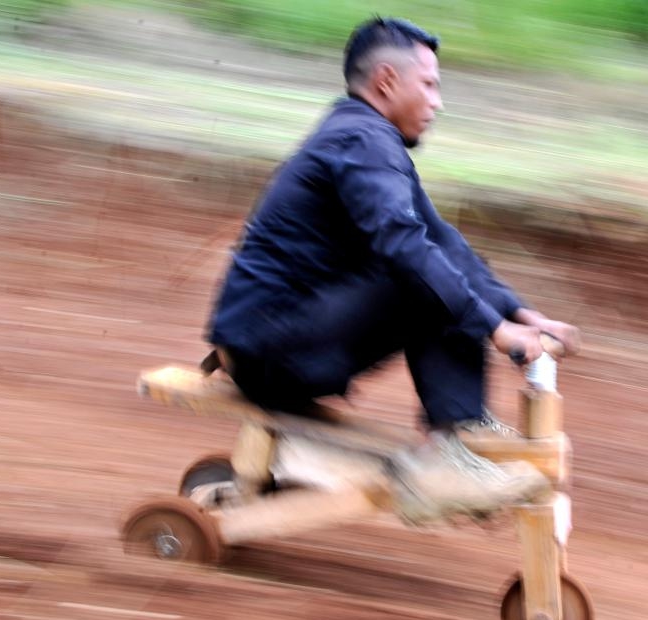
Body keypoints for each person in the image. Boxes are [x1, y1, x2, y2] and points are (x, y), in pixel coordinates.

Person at [207, 16, 581, 523]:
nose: (437, 102)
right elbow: (407, 249)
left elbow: (443, 241)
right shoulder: (362, 140)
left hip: (282, 342)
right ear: (386, 81)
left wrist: (522, 313)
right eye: (429, 85)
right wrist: (496, 331)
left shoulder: (364, 138)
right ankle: (452, 447)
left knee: (436, 257)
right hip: (267, 351)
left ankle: (462, 431)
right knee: (417, 272)